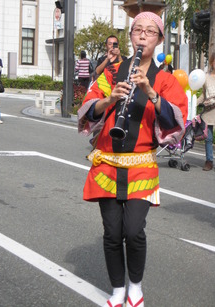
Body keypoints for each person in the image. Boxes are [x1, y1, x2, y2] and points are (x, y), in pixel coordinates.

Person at [78, 11, 188, 307]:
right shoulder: (112, 72)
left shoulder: (165, 79)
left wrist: (151, 92)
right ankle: (117, 289)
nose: (142, 35)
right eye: (137, 30)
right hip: (107, 163)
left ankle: (135, 286)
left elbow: (176, 120)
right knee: (112, 232)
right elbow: (89, 108)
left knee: (133, 231)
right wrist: (111, 99)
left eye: (150, 31)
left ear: (160, 39)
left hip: (142, 166)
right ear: (130, 36)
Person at [197, 52, 215, 171]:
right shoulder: (206, 77)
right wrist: (194, 103)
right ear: (212, 62)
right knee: (208, 137)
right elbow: (203, 95)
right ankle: (209, 161)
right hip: (209, 111)